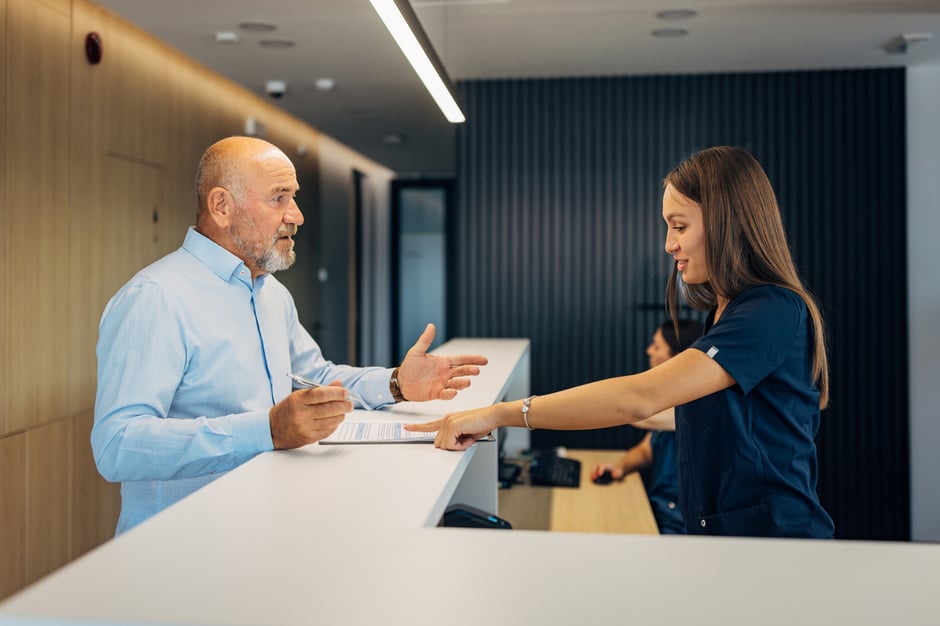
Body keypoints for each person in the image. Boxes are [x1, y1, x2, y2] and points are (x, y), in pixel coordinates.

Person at [408, 146, 835, 538]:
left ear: (727, 222)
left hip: (775, 545)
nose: (670, 245)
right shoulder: (727, 314)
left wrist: (499, 414)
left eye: (680, 226)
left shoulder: (770, 311)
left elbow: (641, 397)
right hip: (728, 539)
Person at [92, 136, 488, 535]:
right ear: (221, 207)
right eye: (279, 198)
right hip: (181, 551)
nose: (296, 216)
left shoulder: (270, 293)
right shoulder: (155, 298)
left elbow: (315, 376)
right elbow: (117, 444)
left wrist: (396, 383)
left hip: (266, 527)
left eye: (294, 198)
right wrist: (267, 429)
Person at [590, 319, 703, 535]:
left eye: (657, 346)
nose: (649, 350)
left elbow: (637, 413)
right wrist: (621, 467)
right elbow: (645, 451)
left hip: (679, 527)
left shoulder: (695, 407)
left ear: (679, 359)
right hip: (658, 512)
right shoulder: (669, 402)